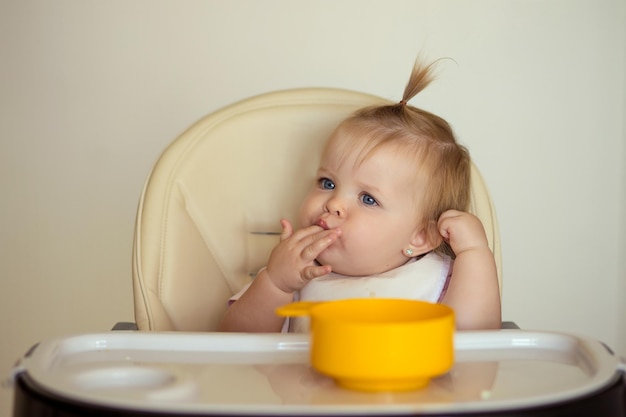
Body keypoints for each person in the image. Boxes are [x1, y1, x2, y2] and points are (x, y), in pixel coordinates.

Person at [219, 59, 501, 333]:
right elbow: (236, 347)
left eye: (368, 199)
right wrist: (275, 284)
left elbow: (475, 343)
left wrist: (475, 253)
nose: (334, 203)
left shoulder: (438, 281)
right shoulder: (297, 272)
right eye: (327, 183)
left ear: (421, 237)